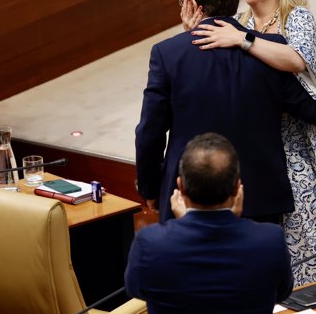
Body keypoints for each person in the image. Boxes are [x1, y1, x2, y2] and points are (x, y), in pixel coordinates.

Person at [135, 0, 316, 226]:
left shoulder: (168, 54)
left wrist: (150, 187)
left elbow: (150, 132)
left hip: (187, 194)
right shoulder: (269, 48)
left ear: (190, 3)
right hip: (257, 200)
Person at [182, 0, 316, 285]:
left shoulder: (297, 17)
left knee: (306, 252)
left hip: (296, 152)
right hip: (258, 151)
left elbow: (295, 59)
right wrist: (194, 34)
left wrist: (243, 39)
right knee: (263, 261)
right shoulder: (241, 22)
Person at [125, 132, 294, 314]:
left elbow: (136, 289)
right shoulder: (270, 240)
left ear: (180, 187)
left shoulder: (150, 243)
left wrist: (185, 223)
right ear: (237, 187)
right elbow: (282, 291)